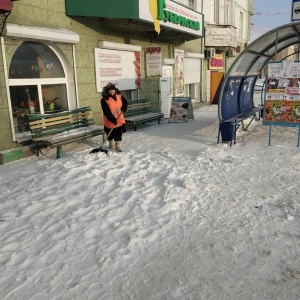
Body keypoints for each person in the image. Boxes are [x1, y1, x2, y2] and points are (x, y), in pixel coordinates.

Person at [100, 82, 127, 152]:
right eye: (110, 91)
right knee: (110, 133)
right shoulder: (104, 99)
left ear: (115, 90)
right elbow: (106, 111)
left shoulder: (119, 96)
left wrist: (124, 107)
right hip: (109, 120)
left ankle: (118, 146)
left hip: (119, 119)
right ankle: (111, 143)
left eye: (113, 91)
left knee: (118, 133)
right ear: (107, 91)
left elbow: (125, 102)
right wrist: (112, 119)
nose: (111, 93)